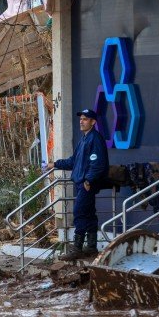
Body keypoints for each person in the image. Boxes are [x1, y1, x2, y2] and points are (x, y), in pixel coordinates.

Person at [51, 108, 109, 260]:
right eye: (81, 119)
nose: (81, 121)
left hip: (86, 184)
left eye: (85, 119)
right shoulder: (84, 139)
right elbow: (73, 161)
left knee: (79, 213)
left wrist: (89, 180)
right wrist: (55, 164)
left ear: (93, 122)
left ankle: (77, 248)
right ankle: (91, 247)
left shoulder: (95, 139)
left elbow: (98, 164)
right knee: (88, 214)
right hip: (81, 182)